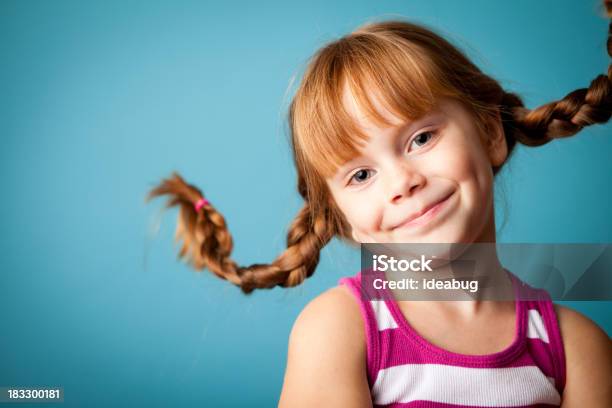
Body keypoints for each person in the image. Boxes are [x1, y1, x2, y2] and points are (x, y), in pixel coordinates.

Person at [146, 4, 612, 407]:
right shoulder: (340, 331)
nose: (402, 183)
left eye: (422, 138)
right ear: (342, 217)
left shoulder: (577, 350)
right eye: (361, 175)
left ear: (490, 133)